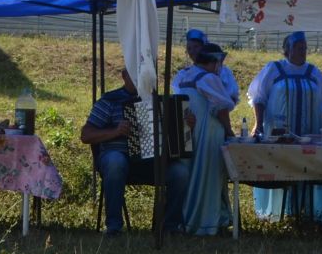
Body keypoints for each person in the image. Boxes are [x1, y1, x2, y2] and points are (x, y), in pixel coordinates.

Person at [247, 31, 322, 225]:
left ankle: (309, 211)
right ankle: (279, 213)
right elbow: (259, 98)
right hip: (279, 132)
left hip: (310, 132)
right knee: (282, 166)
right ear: (287, 50)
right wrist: (258, 123)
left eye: (305, 48)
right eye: (298, 48)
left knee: (309, 167)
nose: (303, 51)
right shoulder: (274, 69)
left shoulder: (314, 72)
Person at [167, 43, 236, 235]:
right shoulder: (209, 78)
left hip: (189, 132)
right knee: (207, 174)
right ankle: (205, 221)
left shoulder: (184, 76)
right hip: (208, 132)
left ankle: (189, 219)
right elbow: (222, 107)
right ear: (214, 62)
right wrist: (229, 131)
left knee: (192, 174)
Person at [81, 64, 152, 235]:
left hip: (150, 160)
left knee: (180, 171)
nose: (139, 79)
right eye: (135, 74)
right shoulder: (110, 100)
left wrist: (186, 125)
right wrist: (115, 131)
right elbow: (86, 135)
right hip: (118, 156)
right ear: (124, 75)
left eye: (143, 74)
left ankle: (171, 226)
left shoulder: (154, 100)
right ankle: (114, 226)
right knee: (115, 162)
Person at [177, 27, 242, 109]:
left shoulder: (224, 71)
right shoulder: (183, 74)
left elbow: (232, 97)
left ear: (204, 47)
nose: (192, 51)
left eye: (196, 47)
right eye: (189, 48)